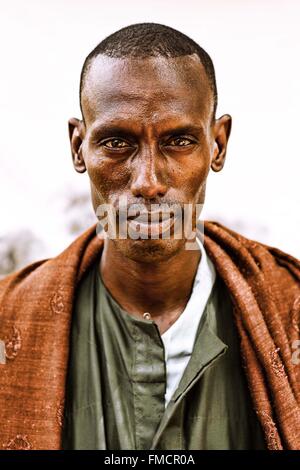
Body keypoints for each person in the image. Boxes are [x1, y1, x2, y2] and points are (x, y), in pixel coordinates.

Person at [0, 23, 299, 451]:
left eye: (179, 141)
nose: (148, 182)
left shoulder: (290, 309)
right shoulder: (7, 321)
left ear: (218, 145)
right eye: (117, 142)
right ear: (78, 147)